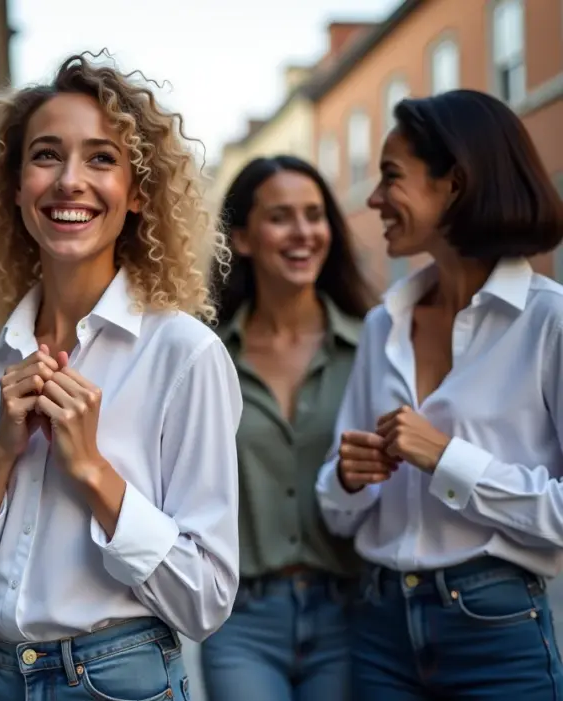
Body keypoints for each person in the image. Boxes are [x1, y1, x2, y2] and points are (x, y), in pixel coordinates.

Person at [0, 52, 242, 700]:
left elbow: (206, 600)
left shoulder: (184, 355)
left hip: (124, 681)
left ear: (138, 192)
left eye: (101, 158)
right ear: (15, 186)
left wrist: (93, 471)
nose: (69, 181)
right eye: (47, 155)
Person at [315, 89, 563, 699]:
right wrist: (347, 480)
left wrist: (447, 457)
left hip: (497, 631)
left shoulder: (548, 323)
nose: (373, 199)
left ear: (454, 183)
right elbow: (337, 511)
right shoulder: (383, 325)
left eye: (391, 177)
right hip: (378, 631)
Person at [200, 155, 376, 701]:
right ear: (244, 238)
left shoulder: (374, 344)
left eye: (314, 215)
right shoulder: (207, 356)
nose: (303, 233)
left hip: (352, 611)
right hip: (242, 620)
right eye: (281, 217)